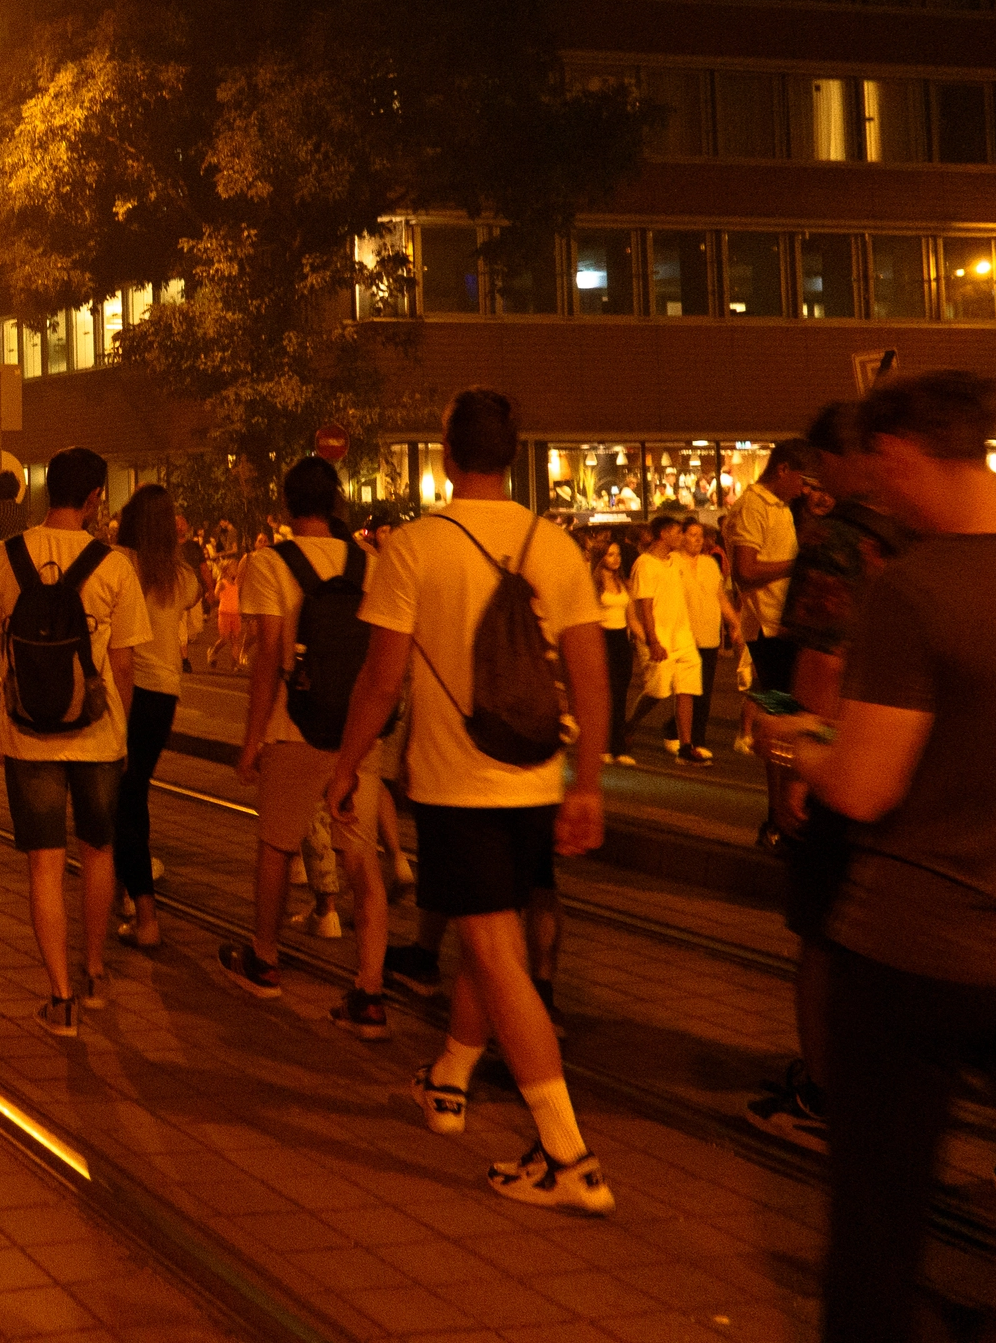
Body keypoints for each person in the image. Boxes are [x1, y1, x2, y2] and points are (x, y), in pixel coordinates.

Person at [754, 372, 996, 1341]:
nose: (878, 487)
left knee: (878, 1218)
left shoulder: (917, 590)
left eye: (883, 465)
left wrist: (800, 744)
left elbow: (867, 787)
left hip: (913, 948)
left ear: (913, 454)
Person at [326, 388, 616, 1213]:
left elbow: (381, 680)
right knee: (493, 937)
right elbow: (591, 678)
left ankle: (567, 1154)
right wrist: (586, 781)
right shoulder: (552, 545)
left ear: (447, 455)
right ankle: (450, 1078)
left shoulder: (417, 547)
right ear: (512, 454)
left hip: (456, 785)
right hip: (533, 779)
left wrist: (347, 767)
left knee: (493, 952)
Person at [746, 401, 910, 1154]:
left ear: (850, 459)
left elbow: (810, 662)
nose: (815, 478)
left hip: (839, 748)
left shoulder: (836, 540)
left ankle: (820, 1091)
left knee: (817, 930)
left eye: (822, 463)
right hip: (906, 751)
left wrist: (789, 769)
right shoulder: (920, 534)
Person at [0, 446, 142, 1038]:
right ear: (94, 499)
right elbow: (124, 667)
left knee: (44, 865)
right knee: (98, 852)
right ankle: (93, 973)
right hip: (98, 737)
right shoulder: (114, 566)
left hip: (28, 732)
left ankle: (61, 1000)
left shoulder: (1, 557)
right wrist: (120, 732)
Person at [221, 457, 391, 1037]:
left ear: (289, 503)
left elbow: (268, 657)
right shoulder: (368, 564)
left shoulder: (269, 564)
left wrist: (249, 742)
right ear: (337, 501)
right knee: (361, 859)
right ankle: (369, 990)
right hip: (355, 735)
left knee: (277, 847)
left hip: (294, 727)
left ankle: (264, 959)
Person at [111, 484, 196, 951]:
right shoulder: (179, 577)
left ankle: (144, 912)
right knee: (133, 791)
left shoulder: (121, 563)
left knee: (124, 799)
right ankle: (129, 889)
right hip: (164, 695)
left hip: (126, 688)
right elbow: (195, 589)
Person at [728, 440, 815, 711]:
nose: (803, 490)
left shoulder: (779, 505)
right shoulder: (752, 506)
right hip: (769, 626)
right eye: (801, 479)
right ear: (783, 469)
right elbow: (745, 571)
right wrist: (796, 565)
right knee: (783, 709)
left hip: (784, 621)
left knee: (792, 706)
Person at [631, 516, 706, 763]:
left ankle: (686, 746)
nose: (681, 537)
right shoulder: (645, 565)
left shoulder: (675, 561)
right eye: (677, 532)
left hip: (683, 636)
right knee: (658, 690)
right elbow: (645, 606)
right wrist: (653, 640)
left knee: (687, 689)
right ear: (663, 534)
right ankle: (629, 724)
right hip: (660, 637)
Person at [678, 519, 732, 753]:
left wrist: (735, 624)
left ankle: (697, 739)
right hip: (683, 633)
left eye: (701, 535)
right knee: (674, 689)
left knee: (704, 690)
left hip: (708, 633)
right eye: (692, 534)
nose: (698, 539)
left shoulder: (710, 563)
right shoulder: (672, 563)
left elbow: (720, 596)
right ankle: (675, 730)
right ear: (681, 537)